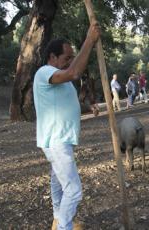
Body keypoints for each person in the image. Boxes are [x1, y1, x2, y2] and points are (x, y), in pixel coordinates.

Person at [32, 23, 100, 230]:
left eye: (71, 58)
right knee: (74, 190)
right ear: (52, 57)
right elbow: (74, 73)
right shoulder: (45, 71)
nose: (70, 62)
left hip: (60, 140)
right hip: (56, 141)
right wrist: (89, 40)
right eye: (66, 57)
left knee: (57, 183)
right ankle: (63, 227)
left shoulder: (59, 79)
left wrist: (88, 109)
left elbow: (66, 103)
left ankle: (57, 219)